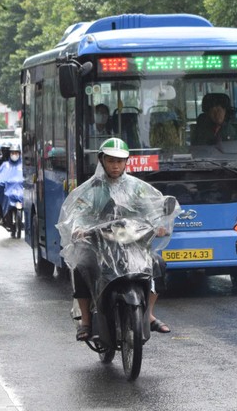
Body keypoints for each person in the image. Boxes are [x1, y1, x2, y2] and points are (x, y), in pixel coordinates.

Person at [56, 137, 176, 340]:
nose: (115, 165)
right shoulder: (91, 188)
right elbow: (78, 212)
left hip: (132, 243)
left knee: (158, 263)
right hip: (99, 244)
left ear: (126, 163)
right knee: (81, 267)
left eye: (120, 161)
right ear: (102, 161)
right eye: (111, 161)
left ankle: (149, 314)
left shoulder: (137, 187)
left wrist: (159, 225)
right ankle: (85, 321)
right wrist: (78, 229)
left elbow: (151, 209)